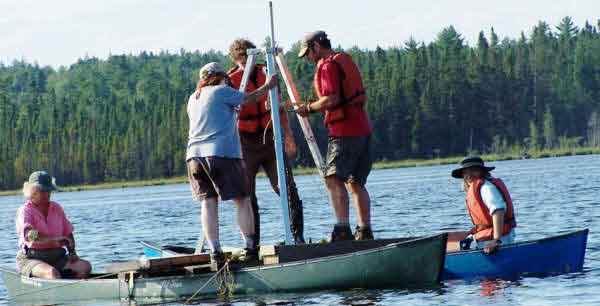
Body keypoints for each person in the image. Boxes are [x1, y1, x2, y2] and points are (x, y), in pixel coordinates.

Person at [186, 62, 278, 266]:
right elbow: (247, 99)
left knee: (208, 202)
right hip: (220, 153)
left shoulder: (194, 97)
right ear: (219, 77)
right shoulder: (221, 91)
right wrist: (268, 86)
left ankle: (215, 252)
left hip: (194, 157)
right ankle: (250, 248)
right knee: (242, 199)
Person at [295, 31, 374, 241]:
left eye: (308, 53)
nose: (308, 58)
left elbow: (331, 98)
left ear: (316, 47)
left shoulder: (328, 65)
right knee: (355, 182)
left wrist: (308, 108)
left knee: (333, 179)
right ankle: (365, 230)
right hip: (363, 130)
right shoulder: (344, 59)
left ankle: (342, 229)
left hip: (344, 132)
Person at [227, 38, 305, 244]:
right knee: (247, 195)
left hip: (270, 139)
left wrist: (288, 136)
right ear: (236, 60)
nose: (246, 63)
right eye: (241, 59)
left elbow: (279, 108)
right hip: (245, 143)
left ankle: (298, 237)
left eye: (248, 57)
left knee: (286, 187)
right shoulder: (231, 80)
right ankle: (253, 243)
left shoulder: (266, 74)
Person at [15, 171, 92, 279]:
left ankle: (72, 289)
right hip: (31, 258)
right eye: (43, 190)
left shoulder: (56, 208)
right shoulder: (25, 211)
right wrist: (53, 239)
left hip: (57, 257)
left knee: (85, 267)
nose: (48, 194)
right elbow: (29, 235)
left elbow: (68, 233)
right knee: (52, 273)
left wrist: (72, 252)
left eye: (49, 190)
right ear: (32, 191)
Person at [447, 156, 517, 254]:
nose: (469, 175)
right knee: (448, 238)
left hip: (498, 238)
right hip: (493, 234)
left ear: (482, 172)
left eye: (474, 170)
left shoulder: (486, 188)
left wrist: (496, 240)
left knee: (448, 247)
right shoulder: (479, 187)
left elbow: (498, 211)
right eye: (466, 172)